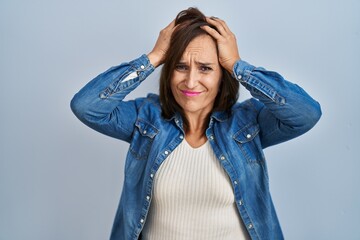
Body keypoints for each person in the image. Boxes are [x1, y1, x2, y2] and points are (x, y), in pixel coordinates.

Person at [71, 7, 321, 240]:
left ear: (222, 75)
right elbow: (87, 106)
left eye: (205, 68)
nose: (191, 82)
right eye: (180, 66)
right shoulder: (145, 118)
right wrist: (154, 57)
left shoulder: (247, 123)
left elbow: (306, 113)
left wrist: (237, 66)